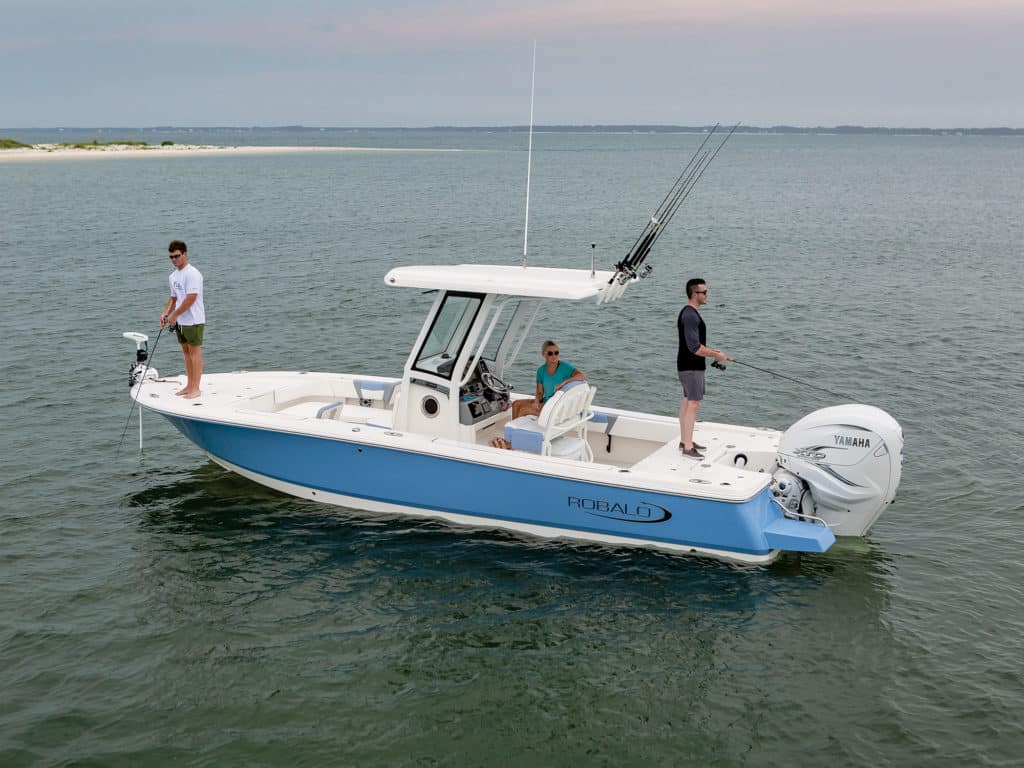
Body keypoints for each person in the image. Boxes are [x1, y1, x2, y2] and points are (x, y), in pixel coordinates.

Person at [677, 278, 731, 459]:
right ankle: (687, 447)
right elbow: (695, 348)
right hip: (691, 366)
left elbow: (696, 344)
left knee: (687, 401)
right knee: (693, 403)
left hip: (687, 365)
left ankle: (686, 441)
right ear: (695, 294)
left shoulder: (689, 313)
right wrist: (716, 355)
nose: (707, 295)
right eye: (704, 292)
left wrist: (711, 351)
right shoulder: (690, 315)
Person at [159, 240, 206, 399]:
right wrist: (166, 313)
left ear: (184, 254)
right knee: (186, 353)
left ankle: (196, 388)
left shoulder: (192, 273)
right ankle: (189, 385)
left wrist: (175, 315)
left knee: (194, 353)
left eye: (177, 256)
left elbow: (191, 298)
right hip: (180, 321)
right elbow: (174, 297)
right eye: (171, 257)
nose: (174, 260)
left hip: (194, 320)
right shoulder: (173, 276)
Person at [511, 340, 586, 419]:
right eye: (550, 353)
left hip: (555, 407)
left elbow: (581, 376)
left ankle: (517, 430)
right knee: (515, 404)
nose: (554, 356)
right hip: (545, 402)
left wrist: (563, 383)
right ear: (544, 354)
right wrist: (536, 401)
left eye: (556, 353)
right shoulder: (541, 370)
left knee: (523, 411)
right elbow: (540, 393)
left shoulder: (564, 367)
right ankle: (512, 429)